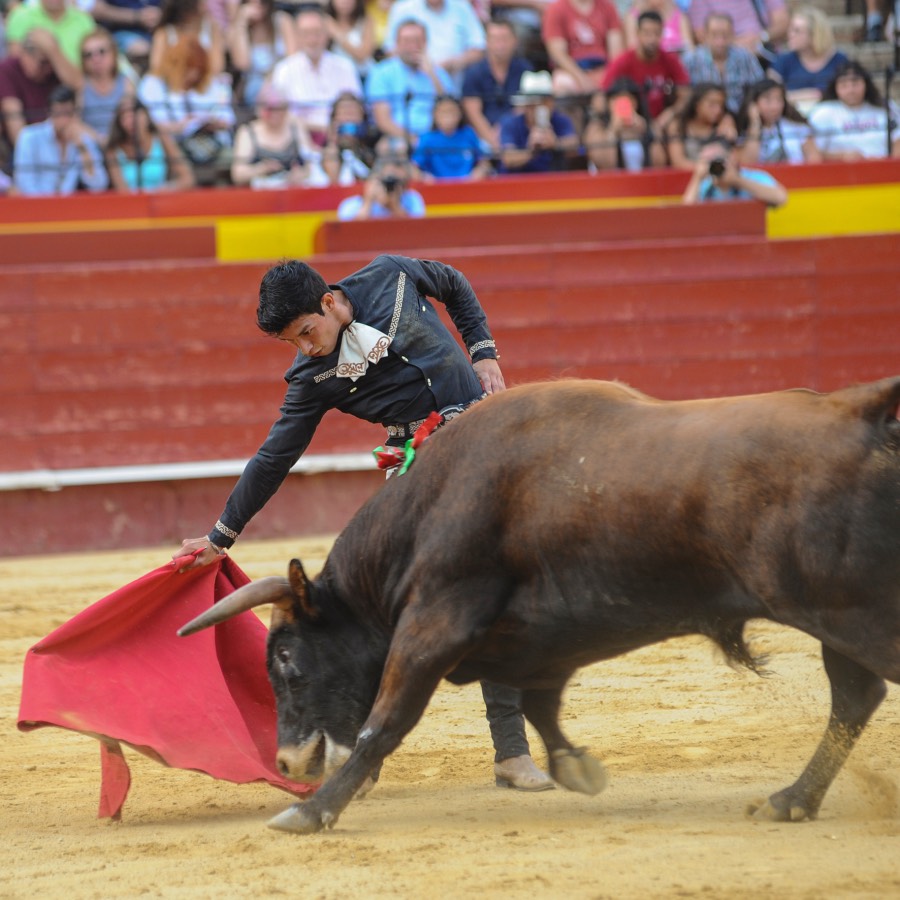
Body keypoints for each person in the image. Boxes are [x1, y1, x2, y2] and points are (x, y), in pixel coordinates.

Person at [174, 254, 553, 792]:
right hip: (416, 475)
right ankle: (363, 753)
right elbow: (274, 457)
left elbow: (454, 284)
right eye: (292, 343)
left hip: (487, 446)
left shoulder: (390, 275)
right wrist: (220, 537)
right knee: (384, 617)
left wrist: (484, 352)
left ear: (329, 302)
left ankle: (511, 754)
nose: (305, 349)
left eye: (307, 332)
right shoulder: (311, 377)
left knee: (501, 595)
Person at [138, 34, 236, 185]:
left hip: (209, 143)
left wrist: (213, 122)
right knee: (174, 158)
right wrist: (181, 126)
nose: (193, 75)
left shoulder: (211, 83)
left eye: (198, 69)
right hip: (173, 144)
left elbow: (227, 118)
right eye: (188, 68)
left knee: (231, 159)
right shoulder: (153, 84)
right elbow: (149, 124)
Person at [270, 5, 363, 147]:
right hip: (298, 140)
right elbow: (279, 114)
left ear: (327, 34)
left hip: (341, 138)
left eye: (317, 32)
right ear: (297, 36)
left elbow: (356, 109)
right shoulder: (284, 70)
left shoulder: (345, 66)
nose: (312, 39)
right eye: (306, 33)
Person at [365, 18, 455, 149]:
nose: (413, 46)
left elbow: (450, 111)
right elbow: (383, 121)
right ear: (397, 44)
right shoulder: (381, 72)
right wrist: (413, 139)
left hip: (438, 137)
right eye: (407, 41)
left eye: (417, 41)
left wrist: (432, 75)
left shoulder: (439, 74)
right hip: (398, 136)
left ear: (425, 43)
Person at [0, 29, 79, 173]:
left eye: (51, 61)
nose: (48, 68)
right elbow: (17, 132)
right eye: (43, 62)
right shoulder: (7, 69)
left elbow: (79, 86)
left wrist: (54, 52)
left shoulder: (56, 70)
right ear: (24, 54)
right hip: (27, 155)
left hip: (63, 145)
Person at [601, 9, 689, 133]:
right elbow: (602, 95)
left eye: (656, 33)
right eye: (647, 33)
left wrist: (670, 114)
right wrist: (626, 114)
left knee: (674, 128)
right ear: (637, 33)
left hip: (661, 120)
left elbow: (686, 94)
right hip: (632, 121)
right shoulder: (623, 61)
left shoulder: (670, 60)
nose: (652, 39)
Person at [12, 82, 109, 194]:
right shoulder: (29, 137)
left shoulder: (82, 139)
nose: (63, 119)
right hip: (34, 207)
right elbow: (24, 183)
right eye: (58, 113)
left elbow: (98, 185)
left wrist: (83, 148)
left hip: (67, 208)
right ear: (49, 113)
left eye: (68, 113)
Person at [461, 17, 533, 155]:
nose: (500, 44)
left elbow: (526, 106)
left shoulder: (525, 69)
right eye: (495, 39)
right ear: (486, 42)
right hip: (482, 139)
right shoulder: (474, 72)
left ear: (515, 41)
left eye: (505, 39)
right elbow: (473, 112)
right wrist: (492, 141)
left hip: (517, 136)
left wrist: (505, 133)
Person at [383, 0, 486, 91]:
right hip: (406, 82)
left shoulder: (462, 6)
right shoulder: (402, 7)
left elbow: (479, 48)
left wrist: (448, 66)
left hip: (454, 84)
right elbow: (390, 50)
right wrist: (414, 65)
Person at [230, 81, 318, 188]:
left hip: (295, 191)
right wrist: (262, 169)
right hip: (260, 194)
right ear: (260, 109)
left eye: (280, 109)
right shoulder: (247, 132)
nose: (275, 114)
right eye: (270, 109)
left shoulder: (296, 126)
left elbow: (311, 163)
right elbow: (238, 174)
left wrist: (301, 174)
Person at [807, 60, 900, 161]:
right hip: (840, 171)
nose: (850, 90)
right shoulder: (824, 112)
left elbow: (898, 139)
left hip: (884, 169)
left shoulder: (885, 106)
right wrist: (842, 156)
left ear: (866, 84)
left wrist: (891, 163)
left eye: (855, 83)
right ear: (835, 87)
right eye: (844, 85)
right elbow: (812, 152)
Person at [767, 6, 848, 115]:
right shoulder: (783, 61)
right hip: (793, 120)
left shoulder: (839, 61)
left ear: (814, 34)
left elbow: (849, 93)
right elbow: (769, 95)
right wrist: (808, 95)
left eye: (797, 31)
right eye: (790, 29)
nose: (790, 34)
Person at [104, 94, 195, 190]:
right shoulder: (113, 149)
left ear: (146, 115)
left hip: (160, 201)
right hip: (130, 203)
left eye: (134, 115)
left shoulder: (162, 139)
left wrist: (167, 188)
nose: (131, 121)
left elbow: (187, 179)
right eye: (125, 117)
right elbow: (121, 191)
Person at [681, 11, 765, 115]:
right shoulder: (691, 60)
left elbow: (760, 87)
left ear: (733, 34)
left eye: (725, 35)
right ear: (705, 35)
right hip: (702, 117)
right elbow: (683, 93)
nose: (720, 41)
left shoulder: (745, 57)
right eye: (714, 35)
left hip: (741, 115)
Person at [497, 68, 579, 173]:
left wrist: (555, 143)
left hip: (551, 184)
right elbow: (508, 158)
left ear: (550, 103)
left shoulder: (561, 120)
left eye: (541, 102)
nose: (535, 108)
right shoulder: (511, 123)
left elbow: (574, 146)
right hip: (518, 184)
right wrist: (531, 150)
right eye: (531, 104)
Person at [541, 0, 624, 97]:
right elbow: (557, 53)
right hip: (570, 71)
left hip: (603, 69)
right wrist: (581, 78)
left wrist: (607, 80)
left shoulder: (607, 6)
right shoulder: (556, 9)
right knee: (562, 86)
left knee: (621, 87)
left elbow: (616, 54)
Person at [582, 77, 665, 170]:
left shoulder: (648, 125)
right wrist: (612, 131)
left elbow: (659, 163)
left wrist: (646, 132)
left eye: (628, 99)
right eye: (616, 100)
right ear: (608, 103)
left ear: (636, 102)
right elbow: (605, 164)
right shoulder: (596, 127)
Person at [682, 134, 787, 207]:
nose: (713, 166)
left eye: (717, 160)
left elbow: (781, 198)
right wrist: (697, 178)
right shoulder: (704, 184)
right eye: (707, 161)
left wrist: (738, 181)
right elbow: (685, 214)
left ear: (731, 156)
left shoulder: (752, 177)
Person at [227, 0, 293, 114]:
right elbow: (243, 64)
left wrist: (272, 78)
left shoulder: (282, 20)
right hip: (254, 89)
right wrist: (241, 23)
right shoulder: (236, 29)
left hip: (283, 80)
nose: (257, 4)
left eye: (261, 1)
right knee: (260, 90)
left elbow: (293, 59)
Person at [736, 77, 821, 166]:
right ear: (754, 103)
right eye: (768, 101)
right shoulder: (745, 133)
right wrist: (754, 122)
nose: (774, 107)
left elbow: (814, 161)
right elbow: (748, 164)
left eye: (779, 100)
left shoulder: (797, 128)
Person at [411, 93, 493, 179]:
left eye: (452, 111)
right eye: (443, 112)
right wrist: (424, 177)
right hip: (437, 188)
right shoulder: (427, 139)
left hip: (467, 186)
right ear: (434, 115)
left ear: (460, 113)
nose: (448, 116)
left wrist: (479, 171)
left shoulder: (468, 134)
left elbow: (484, 161)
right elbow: (414, 167)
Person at [78, 27, 134, 148]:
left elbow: (131, 119)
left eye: (102, 51)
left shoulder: (126, 83)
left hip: (121, 146)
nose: (96, 59)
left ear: (114, 53)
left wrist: (113, 142)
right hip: (90, 148)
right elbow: (75, 123)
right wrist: (98, 139)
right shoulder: (80, 86)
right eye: (88, 55)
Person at [663, 81, 737, 170]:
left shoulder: (725, 125)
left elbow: (738, 161)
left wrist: (732, 141)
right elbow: (678, 162)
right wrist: (710, 169)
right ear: (697, 104)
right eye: (712, 104)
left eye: (721, 105)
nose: (717, 110)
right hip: (688, 180)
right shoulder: (678, 126)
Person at [5, 0, 97, 68]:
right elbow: (15, 62)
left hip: (77, 88)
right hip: (32, 86)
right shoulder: (20, 16)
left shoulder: (84, 20)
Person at [150, 0, 226, 80]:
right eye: (201, 3)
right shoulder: (164, 32)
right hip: (171, 83)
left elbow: (217, 65)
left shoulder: (211, 28)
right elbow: (156, 66)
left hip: (204, 83)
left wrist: (196, 73)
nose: (206, 7)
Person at [687, 0, 788, 60]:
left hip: (766, 55)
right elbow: (702, 36)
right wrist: (737, 46)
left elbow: (783, 23)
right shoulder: (699, 2)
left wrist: (761, 37)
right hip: (728, 59)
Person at [336, 151, 426, 218]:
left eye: (396, 182)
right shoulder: (350, 205)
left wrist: (395, 206)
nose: (390, 186)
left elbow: (415, 230)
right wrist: (368, 202)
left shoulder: (412, 199)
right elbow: (349, 233)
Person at [319, 90, 379, 184]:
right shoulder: (329, 146)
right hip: (339, 185)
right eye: (344, 112)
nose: (349, 117)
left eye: (353, 112)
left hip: (367, 182)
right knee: (331, 154)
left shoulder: (373, 142)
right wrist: (333, 139)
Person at [89, 0, 163, 68]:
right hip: (120, 31)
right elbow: (96, 10)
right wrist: (137, 17)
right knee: (140, 48)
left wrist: (160, 16)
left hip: (159, 30)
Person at [325, 0, 377, 83]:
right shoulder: (325, 20)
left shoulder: (365, 20)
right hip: (334, 78)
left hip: (363, 76)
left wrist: (337, 33)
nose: (345, 2)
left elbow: (363, 55)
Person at [623, 0, 692, 55]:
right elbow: (632, 49)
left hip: (676, 64)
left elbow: (690, 49)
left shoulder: (680, 16)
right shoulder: (633, 17)